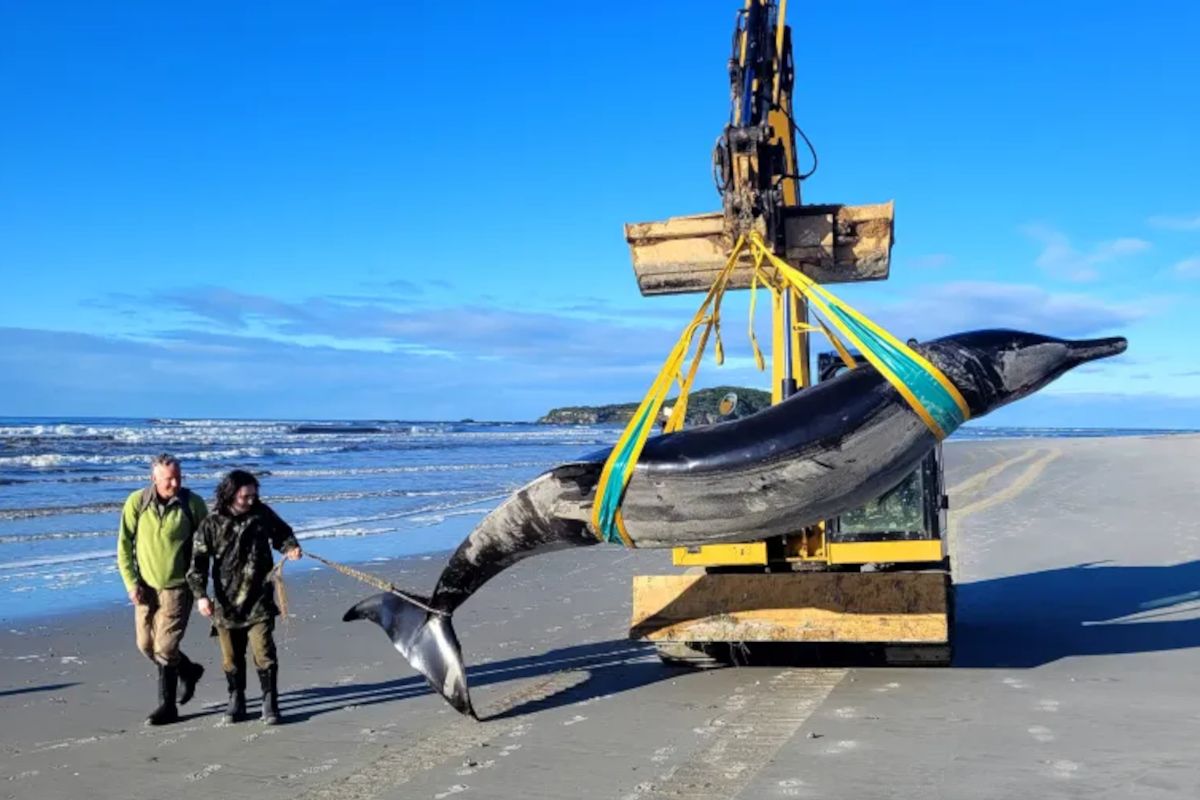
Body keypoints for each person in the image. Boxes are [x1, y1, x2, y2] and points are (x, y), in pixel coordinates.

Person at [187, 470, 302, 725]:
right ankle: (236, 699)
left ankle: (270, 702)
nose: (251, 500)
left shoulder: (261, 514)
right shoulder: (212, 523)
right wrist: (201, 596)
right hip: (226, 604)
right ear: (231, 494)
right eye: (245, 496)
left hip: (259, 598)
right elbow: (198, 563)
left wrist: (291, 547)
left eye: (254, 494)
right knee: (231, 658)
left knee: (264, 652)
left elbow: (282, 533)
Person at [116, 453, 209, 726]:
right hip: (145, 588)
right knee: (145, 645)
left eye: (178, 477)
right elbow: (124, 545)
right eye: (168, 479)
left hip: (178, 587)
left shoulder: (193, 504)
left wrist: (201, 586)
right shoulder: (137, 502)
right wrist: (131, 583)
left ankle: (167, 707)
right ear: (154, 478)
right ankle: (189, 670)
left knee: (165, 647)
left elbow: (206, 546)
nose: (174, 483)